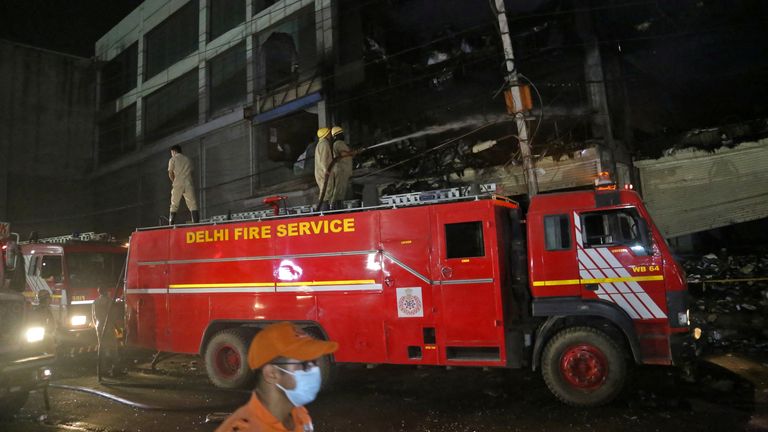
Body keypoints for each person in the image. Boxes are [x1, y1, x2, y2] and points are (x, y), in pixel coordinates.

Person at [215, 322, 338, 432]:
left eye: (314, 363)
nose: (315, 371)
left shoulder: (300, 415)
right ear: (271, 373)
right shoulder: (246, 428)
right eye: (304, 364)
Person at [92, 286, 121, 377]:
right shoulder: (109, 301)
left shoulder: (95, 302)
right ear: (105, 292)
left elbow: (93, 317)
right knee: (113, 348)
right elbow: (112, 316)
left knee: (102, 349)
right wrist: (117, 328)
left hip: (99, 327)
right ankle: (116, 369)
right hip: (108, 326)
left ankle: (102, 371)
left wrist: (97, 327)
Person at [168, 144, 199, 225]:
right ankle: (196, 223)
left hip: (178, 182)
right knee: (192, 203)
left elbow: (170, 172)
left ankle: (171, 224)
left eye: (171, 152)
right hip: (188, 183)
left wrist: (173, 181)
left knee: (174, 204)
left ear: (174, 151)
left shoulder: (173, 159)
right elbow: (192, 172)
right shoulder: (188, 159)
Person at [329, 126, 354, 209]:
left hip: (342, 169)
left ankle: (337, 207)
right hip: (341, 170)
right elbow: (343, 154)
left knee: (340, 190)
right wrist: (354, 152)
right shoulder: (339, 143)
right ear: (337, 135)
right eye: (341, 134)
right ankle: (335, 208)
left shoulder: (337, 144)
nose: (343, 135)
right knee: (339, 191)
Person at [313, 128, 335, 210]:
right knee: (326, 193)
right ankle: (324, 212)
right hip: (324, 173)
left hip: (321, 172)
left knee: (325, 193)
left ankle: (323, 211)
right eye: (328, 133)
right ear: (326, 135)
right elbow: (323, 160)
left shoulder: (321, 144)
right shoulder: (324, 144)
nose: (330, 135)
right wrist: (326, 171)